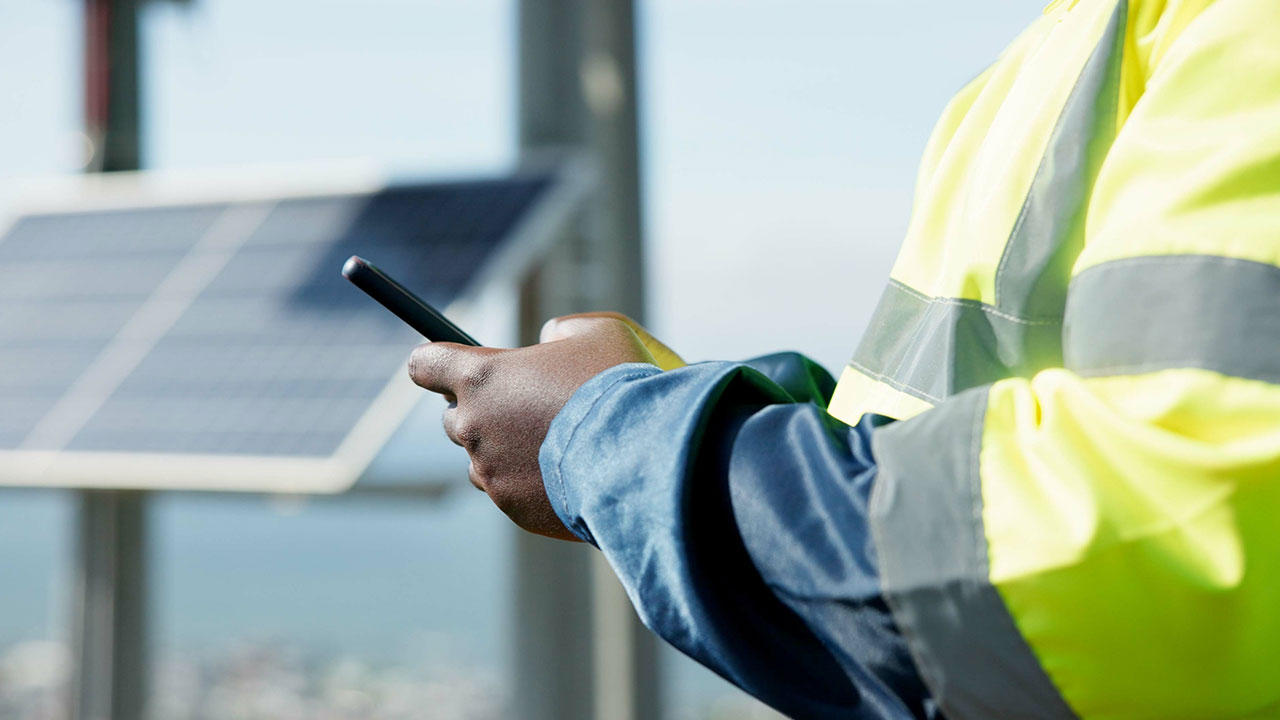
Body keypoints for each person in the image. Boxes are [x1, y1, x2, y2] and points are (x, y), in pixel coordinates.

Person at [409, 0, 1280, 717]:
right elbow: (940, 429)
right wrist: (703, 410)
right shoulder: (1063, 50)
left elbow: (1156, 562)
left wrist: (611, 435)